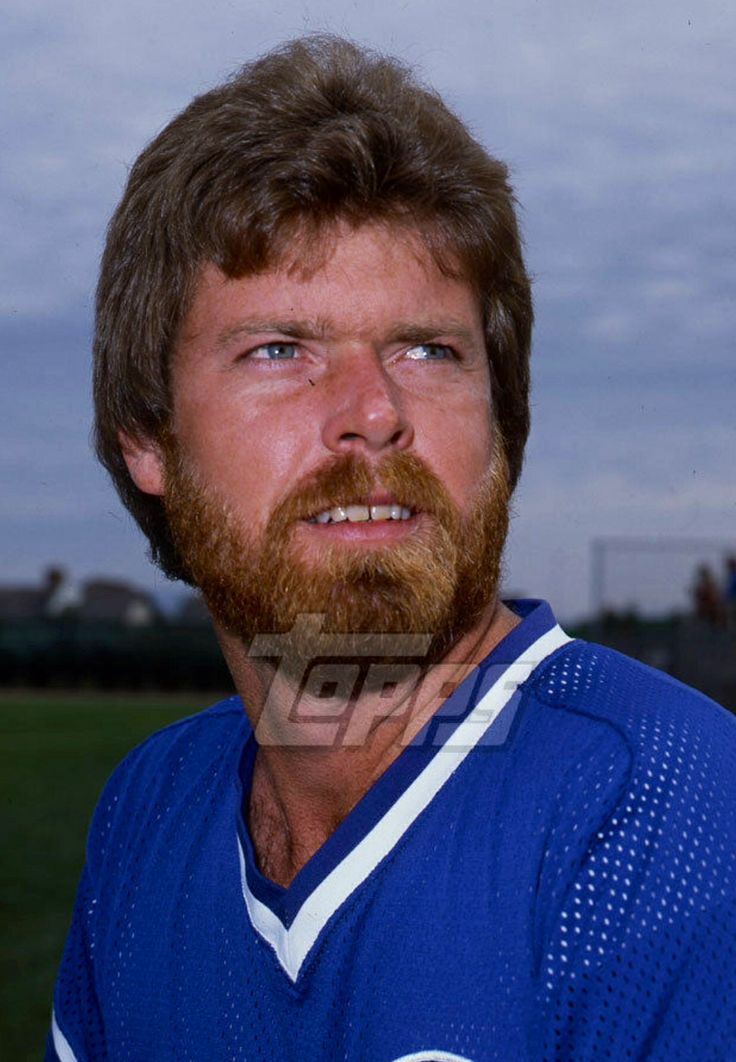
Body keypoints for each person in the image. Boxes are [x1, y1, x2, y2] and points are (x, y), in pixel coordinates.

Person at [48, 35, 736, 1062]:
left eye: (429, 350)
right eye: (279, 350)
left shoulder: (678, 823)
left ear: (499, 424)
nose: (373, 413)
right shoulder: (147, 814)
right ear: (146, 437)